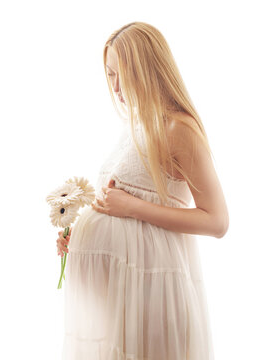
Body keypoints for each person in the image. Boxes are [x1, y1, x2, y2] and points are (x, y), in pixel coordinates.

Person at [57, 21, 229, 360]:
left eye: (124, 73)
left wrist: (131, 207)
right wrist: (77, 239)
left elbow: (217, 221)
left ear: (149, 69)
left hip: (153, 295)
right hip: (120, 303)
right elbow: (121, 212)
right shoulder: (133, 125)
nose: (116, 86)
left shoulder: (178, 128)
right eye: (110, 75)